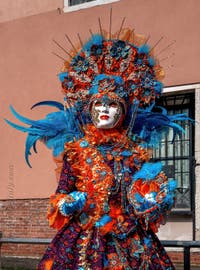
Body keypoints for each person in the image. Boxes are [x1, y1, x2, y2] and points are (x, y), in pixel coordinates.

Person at [6, 28, 189, 269]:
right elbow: (61, 193)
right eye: (99, 103)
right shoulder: (77, 151)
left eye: (112, 104)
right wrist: (67, 203)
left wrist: (152, 200)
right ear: (89, 107)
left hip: (131, 239)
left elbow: (144, 194)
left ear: (123, 111)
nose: (105, 109)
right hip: (84, 238)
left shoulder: (134, 152)